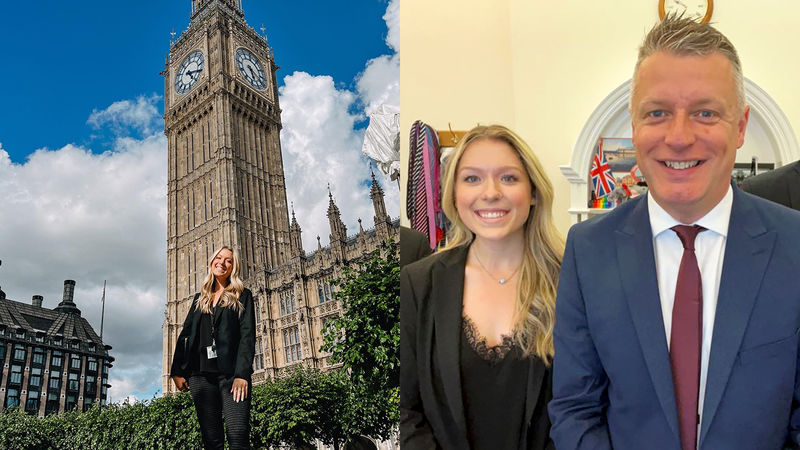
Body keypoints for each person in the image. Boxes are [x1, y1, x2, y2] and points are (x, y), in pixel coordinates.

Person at [549, 15, 800, 450]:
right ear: (634, 125)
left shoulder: (794, 245)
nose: (679, 137)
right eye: (657, 113)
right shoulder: (589, 250)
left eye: (705, 112)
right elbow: (574, 408)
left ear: (740, 126)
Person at [401, 124, 563, 449]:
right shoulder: (418, 284)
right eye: (472, 178)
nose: (490, 192)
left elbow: (588, 405)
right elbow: (407, 411)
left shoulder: (570, 280)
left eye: (508, 178)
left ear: (533, 192)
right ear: (454, 195)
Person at [170, 246, 256, 450]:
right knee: (212, 440)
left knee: (238, 434)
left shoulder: (242, 295)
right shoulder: (200, 299)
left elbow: (247, 335)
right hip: (201, 375)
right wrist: (177, 371)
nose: (222, 263)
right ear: (211, 262)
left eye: (228, 260)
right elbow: (186, 335)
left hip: (231, 375)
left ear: (234, 267)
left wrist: (242, 374)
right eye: (219, 258)